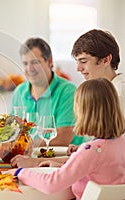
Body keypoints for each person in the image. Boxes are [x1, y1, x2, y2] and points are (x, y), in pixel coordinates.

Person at [11, 29, 125, 168]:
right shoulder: (106, 91)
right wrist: (84, 148)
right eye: (77, 62)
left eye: (83, 61)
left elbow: (107, 156)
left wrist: (37, 162)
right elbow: (102, 149)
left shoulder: (119, 94)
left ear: (106, 60)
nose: (78, 68)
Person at [9, 78, 125, 199]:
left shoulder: (91, 150)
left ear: (84, 112)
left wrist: (19, 172)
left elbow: (51, 184)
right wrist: (66, 163)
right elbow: (97, 164)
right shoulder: (120, 143)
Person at [11, 37, 80, 147]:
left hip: (62, 158)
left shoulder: (68, 91)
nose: (29, 68)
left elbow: (63, 138)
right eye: (25, 63)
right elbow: (13, 131)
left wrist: (25, 145)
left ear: (49, 61)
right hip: (29, 156)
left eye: (35, 62)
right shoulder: (19, 92)